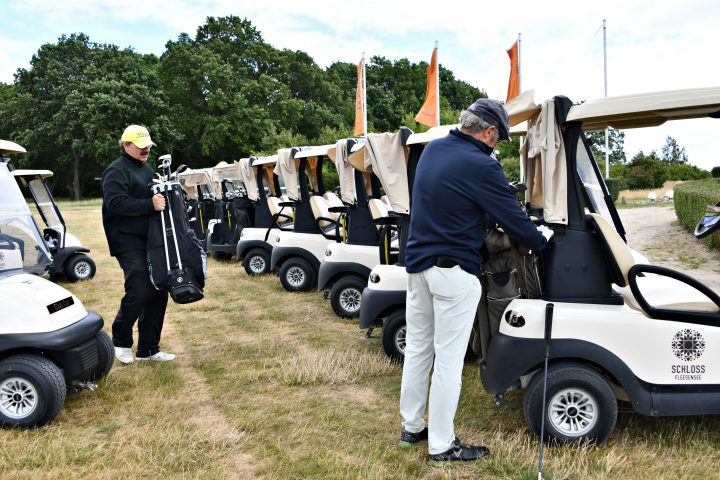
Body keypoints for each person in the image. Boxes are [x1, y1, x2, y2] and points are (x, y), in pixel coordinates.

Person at [398, 99, 553, 466]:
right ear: (488, 131)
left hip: (417, 267)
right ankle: (441, 445)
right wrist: (542, 241)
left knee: (419, 350)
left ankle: (411, 427)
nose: (496, 146)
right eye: (498, 139)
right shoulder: (482, 164)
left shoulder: (433, 149)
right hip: (453, 272)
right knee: (449, 361)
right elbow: (513, 219)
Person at [102, 124, 176, 364]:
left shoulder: (147, 169)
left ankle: (148, 349)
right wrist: (149, 205)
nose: (146, 150)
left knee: (159, 289)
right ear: (126, 145)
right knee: (140, 288)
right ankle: (121, 341)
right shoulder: (116, 170)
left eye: (148, 146)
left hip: (150, 239)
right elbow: (115, 203)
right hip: (126, 240)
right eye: (141, 146)